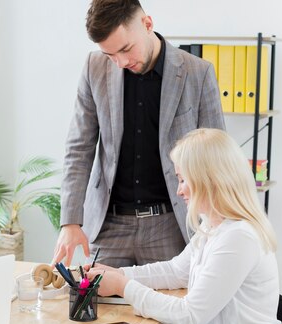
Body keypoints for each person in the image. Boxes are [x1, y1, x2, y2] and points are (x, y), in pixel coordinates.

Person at [87, 128, 282, 324]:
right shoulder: (214, 227)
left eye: (185, 180)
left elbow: (190, 315)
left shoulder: (239, 237)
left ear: (210, 181)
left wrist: (123, 287)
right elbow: (175, 271)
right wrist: (117, 273)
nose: (180, 190)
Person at [52, 0, 225, 277]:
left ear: (147, 24)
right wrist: (70, 223)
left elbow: (216, 157)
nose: (121, 62)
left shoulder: (197, 73)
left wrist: (218, 228)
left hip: (171, 225)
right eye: (110, 55)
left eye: (125, 49)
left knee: (170, 318)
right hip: (110, 227)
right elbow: (78, 148)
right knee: (99, 314)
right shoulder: (94, 67)